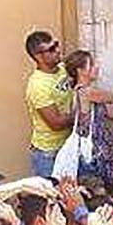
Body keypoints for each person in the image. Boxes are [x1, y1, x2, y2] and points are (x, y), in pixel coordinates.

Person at [59, 50, 113, 182]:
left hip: (97, 150)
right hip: (92, 153)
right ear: (81, 71)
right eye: (92, 65)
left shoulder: (87, 92)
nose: (97, 67)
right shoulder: (86, 92)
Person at [24, 30, 74, 178]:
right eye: (51, 49)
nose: (58, 50)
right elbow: (56, 123)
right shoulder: (37, 85)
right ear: (38, 56)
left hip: (67, 145)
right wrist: (83, 113)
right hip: (48, 153)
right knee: (52, 197)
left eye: (56, 45)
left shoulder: (63, 69)